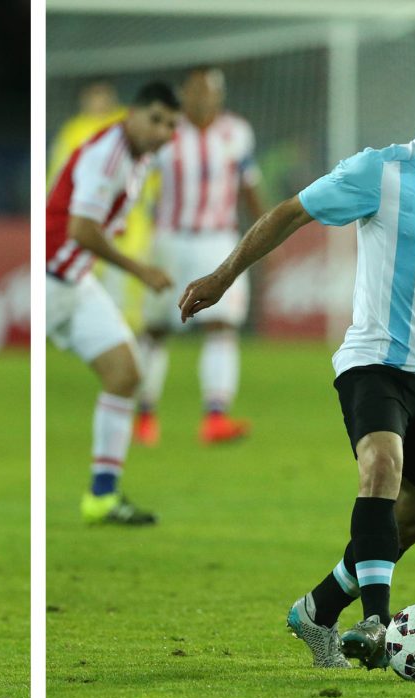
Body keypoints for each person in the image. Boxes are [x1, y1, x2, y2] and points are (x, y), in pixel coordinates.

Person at [178, 61, 415, 669]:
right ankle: (378, 627)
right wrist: (224, 276)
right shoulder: (378, 172)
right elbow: (290, 211)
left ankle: (318, 607)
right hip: (373, 359)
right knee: (381, 466)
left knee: (411, 523)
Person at [46, 81, 178, 525]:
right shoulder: (109, 155)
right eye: (156, 119)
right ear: (133, 113)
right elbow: (82, 229)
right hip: (50, 280)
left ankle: (102, 497)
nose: (163, 131)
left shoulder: (139, 158)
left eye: (171, 125)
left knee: (126, 373)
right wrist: (141, 270)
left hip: (75, 281)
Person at [135, 65, 265, 447]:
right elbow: (139, 183)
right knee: (156, 329)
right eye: (195, 90)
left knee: (222, 326)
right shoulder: (167, 131)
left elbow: (250, 186)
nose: (202, 97)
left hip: (219, 242)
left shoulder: (236, 133)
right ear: (183, 93)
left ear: (219, 95)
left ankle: (215, 417)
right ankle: (144, 416)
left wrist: (265, 232)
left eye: (209, 91)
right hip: (170, 240)